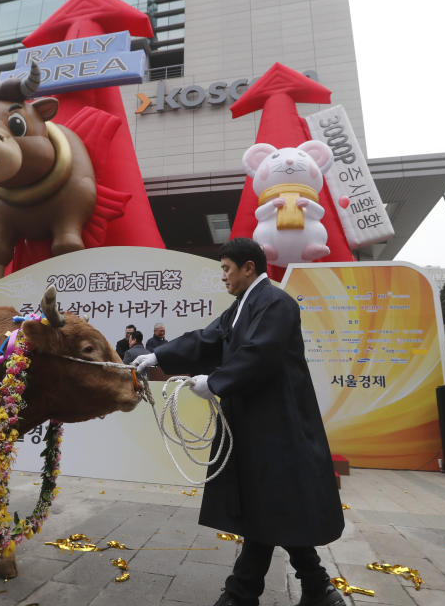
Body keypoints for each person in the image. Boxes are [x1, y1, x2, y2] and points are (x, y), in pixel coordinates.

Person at [132, 238, 346, 606]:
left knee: (267, 503)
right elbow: (206, 340)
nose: (224, 277)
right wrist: (157, 355)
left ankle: (243, 594)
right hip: (255, 423)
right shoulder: (241, 308)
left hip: (279, 425)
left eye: (227, 269)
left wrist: (215, 382)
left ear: (249, 267)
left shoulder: (278, 304)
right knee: (274, 503)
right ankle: (316, 587)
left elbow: (259, 353)